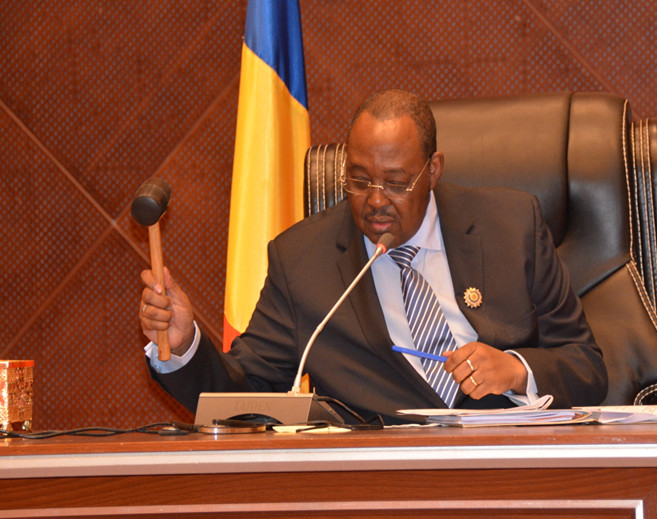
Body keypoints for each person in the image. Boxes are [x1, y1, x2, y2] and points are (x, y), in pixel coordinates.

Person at [139, 89, 608, 424]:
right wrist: (183, 346)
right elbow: (242, 394)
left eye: (397, 181)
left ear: (434, 170)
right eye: (360, 180)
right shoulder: (302, 260)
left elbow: (586, 366)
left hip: (515, 469)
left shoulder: (512, 225)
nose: (376, 199)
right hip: (384, 483)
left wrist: (517, 371)